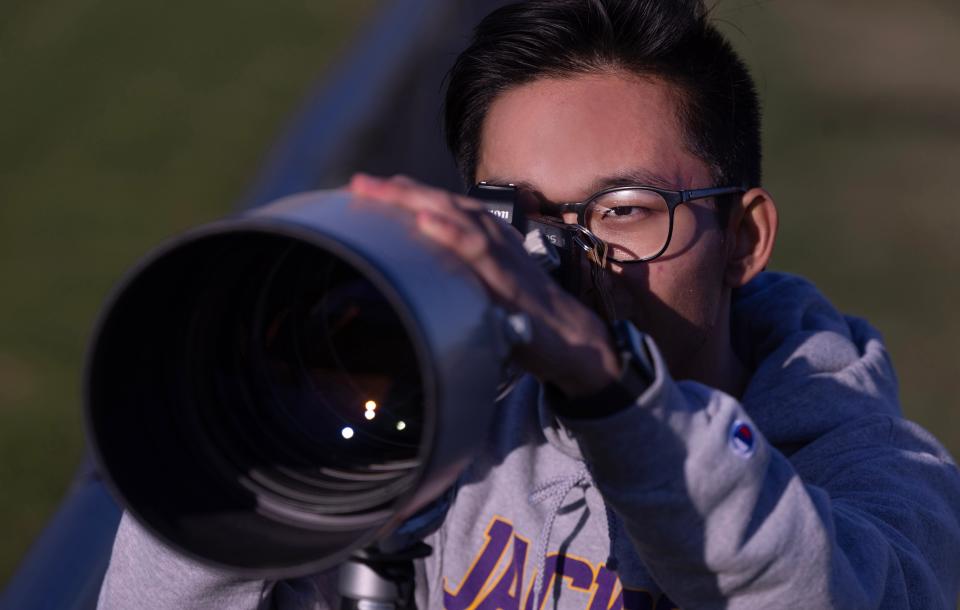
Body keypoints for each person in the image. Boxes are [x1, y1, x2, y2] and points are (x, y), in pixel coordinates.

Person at [98, 1, 960, 608]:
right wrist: (237, 419)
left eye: (622, 210)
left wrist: (609, 386)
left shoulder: (881, 481)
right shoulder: (427, 438)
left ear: (744, 238)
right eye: (519, 218)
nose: (562, 258)